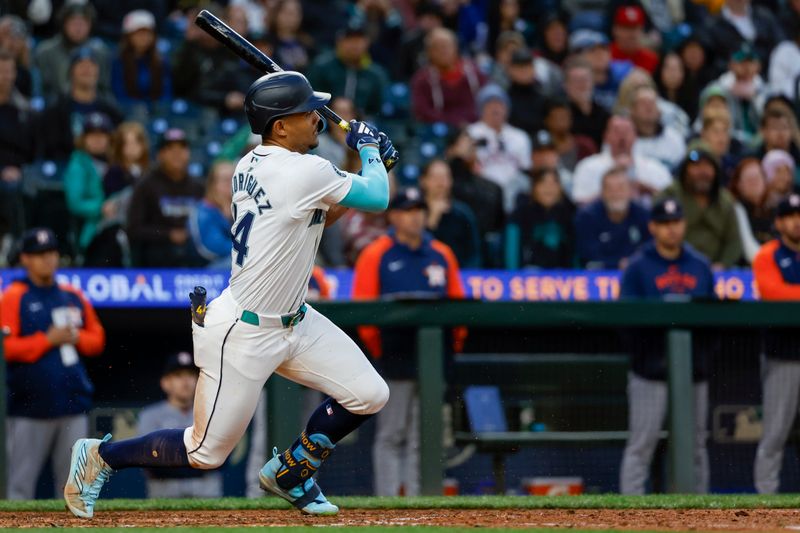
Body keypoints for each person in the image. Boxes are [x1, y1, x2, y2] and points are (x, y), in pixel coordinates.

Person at [64, 70, 397, 518]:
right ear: (280, 126)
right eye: (307, 112)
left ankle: (292, 472)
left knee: (369, 393)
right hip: (244, 331)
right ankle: (100, 457)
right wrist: (371, 151)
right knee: (204, 451)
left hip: (296, 321)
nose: (318, 118)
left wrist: (372, 169)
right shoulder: (302, 170)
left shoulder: (252, 161)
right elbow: (377, 199)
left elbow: (317, 218)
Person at [352, 186, 465, 497]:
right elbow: (363, 310)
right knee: (392, 434)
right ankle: (388, 501)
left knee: (424, 437)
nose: (415, 218)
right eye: (408, 211)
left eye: (420, 211)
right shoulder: (376, 254)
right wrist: (379, 351)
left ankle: (421, 500)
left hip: (434, 360)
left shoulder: (441, 253)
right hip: (394, 358)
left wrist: (449, 352)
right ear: (394, 216)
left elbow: (459, 307)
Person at [619, 197, 715, 495]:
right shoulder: (638, 268)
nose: (671, 229)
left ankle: (698, 514)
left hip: (692, 372)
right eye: (664, 224)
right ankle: (630, 517)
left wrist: (701, 361)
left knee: (696, 445)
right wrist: (648, 359)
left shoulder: (699, 266)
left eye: (676, 222)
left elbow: (714, 321)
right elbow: (626, 324)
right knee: (642, 444)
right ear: (652, 227)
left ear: (684, 224)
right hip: (650, 372)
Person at [1, 228, 105, 500]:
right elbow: (5, 347)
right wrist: (46, 340)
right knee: (19, 486)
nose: (47, 259)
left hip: (72, 404)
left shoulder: (71, 294)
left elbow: (97, 340)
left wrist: (75, 337)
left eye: (51, 253)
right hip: (28, 408)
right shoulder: (14, 295)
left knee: (73, 489)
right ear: (25, 259)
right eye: (39, 254)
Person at [752, 193, 800, 493]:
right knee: (775, 433)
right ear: (779, 223)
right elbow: (773, 293)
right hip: (784, 356)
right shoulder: (767, 254)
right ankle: (766, 499)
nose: (797, 222)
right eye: (791, 217)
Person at [137, 352, 223, 498]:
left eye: (190, 375)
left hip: (206, 491)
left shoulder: (213, 413)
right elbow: (149, 460)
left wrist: (174, 458)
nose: (185, 381)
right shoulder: (149, 416)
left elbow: (220, 457)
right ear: (165, 383)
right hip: (164, 491)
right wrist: (196, 461)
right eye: (178, 375)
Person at [126, 128, 203, 267]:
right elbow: (134, 229)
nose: (177, 154)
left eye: (182, 149)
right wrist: (169, 235)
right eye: (170, 149)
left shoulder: (198, 187)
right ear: (160, 154)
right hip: (156, 254)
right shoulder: (145, 185)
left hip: (192, 250)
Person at [39, 46, 123, 161]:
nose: (87, 70)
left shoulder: (112, 111)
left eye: (91, 65)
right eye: (81, 65)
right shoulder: (55, 111)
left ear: (98, 71)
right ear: (71, 71)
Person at [660, 149, 742, 268]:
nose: (702, 172)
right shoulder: (670, 195)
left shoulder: (725, 200)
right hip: (673, 267)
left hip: (716, 271)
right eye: (696, 166)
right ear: (685, 170)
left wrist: (723, 264)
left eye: (708, 166)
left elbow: (734, 241)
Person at [571, 115, 672, 205]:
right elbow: (579, 204)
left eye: (627, 131)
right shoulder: (588, 167)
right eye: (617, 131)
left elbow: (672, 203)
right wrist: (611, 193)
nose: (622, 136)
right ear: (606, 136)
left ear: (635, 136)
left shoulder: (655, 168)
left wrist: (648, 189)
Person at [467, 84, 532, 213]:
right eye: (490, 104)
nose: (495, 109)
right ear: (481, 109)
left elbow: (526, 168)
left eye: (499, 104)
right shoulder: (470, 133)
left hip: (514, 192)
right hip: (482, 193)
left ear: (507, 108)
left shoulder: (520, 136)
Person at [63, 112, 116, 263]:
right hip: (92, 228)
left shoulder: (115, 162)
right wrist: (101, 208)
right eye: (92, 135)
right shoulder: (78, 164)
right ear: (84, 138)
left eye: (102, 135)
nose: (97, 140)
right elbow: (75, 203)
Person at [306, 20, 388, 118]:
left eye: (359, 40)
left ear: (367, 42)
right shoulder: (322, 67)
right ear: (339, 42)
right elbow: (309, 100)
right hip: (325, 125)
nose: (354, 45)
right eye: (349, 40)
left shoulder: (375, 74)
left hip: (364, 126)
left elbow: (378, 110)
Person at [32, 3, 111, 103]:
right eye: (73, 23)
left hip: (90, 106)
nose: (78, 29)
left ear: (90, 25)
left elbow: (104, 89)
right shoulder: (45, 51)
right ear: (63, 24)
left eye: (83, 24)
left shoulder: (100, 52)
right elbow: (41, 90)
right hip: (54, 107)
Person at [575, 166, 650, 269]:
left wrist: (633, 262)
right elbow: (587, 256)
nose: (615, 194)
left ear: (630, 191)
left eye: (620, 188)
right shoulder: (587, 218)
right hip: (600, 277)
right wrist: (618, 264)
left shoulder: (644, 215)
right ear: (602, 193)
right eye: (610, 189)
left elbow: (651, 247)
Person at [410, 27, 487, 126]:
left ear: (456, 47)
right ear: (429, 53)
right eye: (437, 47)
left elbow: (489, 100)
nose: (443, 51)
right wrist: (453, 124)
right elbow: (422, 111)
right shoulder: (422, 80)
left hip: (476, 126)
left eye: (446, 46)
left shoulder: (474, 73)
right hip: (440, 131)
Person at [506, 167, 576, 269]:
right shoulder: (519, 215)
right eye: (543, 183)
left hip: (563, 277)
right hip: (528, 275)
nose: (548, 189)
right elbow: (511, 252)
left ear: (560, 188)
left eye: (553, 184)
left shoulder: (570, 214)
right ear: (534, 188)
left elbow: (575, 254)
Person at [418, 159, 481, 268]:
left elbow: (474, 253)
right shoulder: (413, 211)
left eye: (445, 177)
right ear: (423, 181)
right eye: (435, 177)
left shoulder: (463, 213)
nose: (441, 183)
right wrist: (432, 220)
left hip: (459, 274)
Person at [110, 9, 172, 106]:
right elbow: (119, 93)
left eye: (147, 32)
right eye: (139, 33)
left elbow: (166, 93)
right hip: (128, 112)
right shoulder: (118, 61)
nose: (144, 37)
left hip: (156, 112)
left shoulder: (161, 61)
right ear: (129, 36)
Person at [187, 161, 234, 270]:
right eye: (225, 179)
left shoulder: (244, 208)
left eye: (233, 178)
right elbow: (212, 246)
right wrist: (249, 250)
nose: (230, 183)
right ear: (213, 184)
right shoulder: (203, 211)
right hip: (205, 270)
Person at [629, 85, 686, 171]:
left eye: (652, 103)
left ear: (660, 110)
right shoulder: (624, 138)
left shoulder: (674, 138)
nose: (648, 107)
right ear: (632, 111)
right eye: (643, 103)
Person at [728, 158, 774, 263]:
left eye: (757, 177)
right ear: (738, 184)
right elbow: (750, 251)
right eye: (749, 179)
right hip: (745, 269)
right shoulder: (735, 209)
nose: (755, 183)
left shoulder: (773, 209)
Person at [563, 57, 610, 148]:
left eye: (585, 79)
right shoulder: (560, 116)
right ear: (566, 85)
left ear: (593, 82)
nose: (582, 85)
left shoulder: (604, 115)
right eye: (576, 81)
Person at [609, 5, 659, 74]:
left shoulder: (651, 59)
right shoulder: (607, 56)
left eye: (635, 28)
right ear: (615, 30)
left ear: (642, 30)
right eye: (626, 28)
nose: (631, 34)